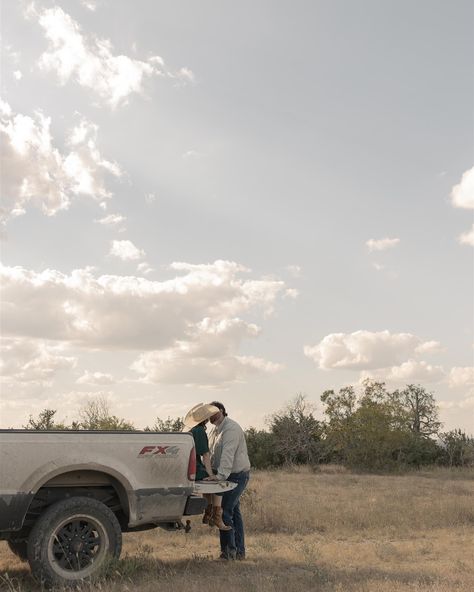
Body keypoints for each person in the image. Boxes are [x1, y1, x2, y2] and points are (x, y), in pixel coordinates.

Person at [205, 401, 251, 560]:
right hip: (227, 474)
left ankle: (228, 553)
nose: (211, 416)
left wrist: (219, 476)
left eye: (214, 412)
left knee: (224, 511)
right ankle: (239, 552)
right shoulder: (215, 431)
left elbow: (227, 455)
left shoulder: (230, 429)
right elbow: (211, 454)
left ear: (223, 411)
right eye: (208, 413)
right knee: (233, 513)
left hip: (236, 475)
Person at [183, 403, 231, 531]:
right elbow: (205, 455)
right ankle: (216, 516)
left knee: (210, 480)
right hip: (194, 469)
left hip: (186, 467)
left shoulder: (190, 430)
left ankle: (208, 512)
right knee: (218, 480)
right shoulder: (200, 431)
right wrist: (211, 475)